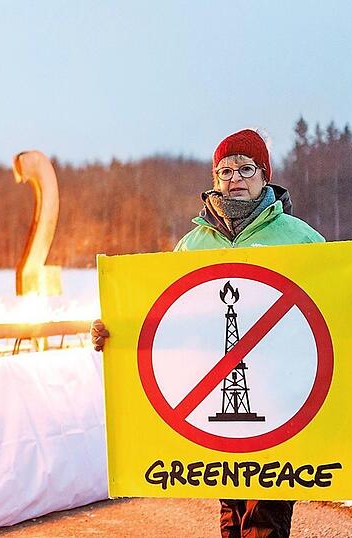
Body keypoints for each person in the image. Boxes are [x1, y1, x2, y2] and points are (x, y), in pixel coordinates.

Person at [92, 129, 324, 538]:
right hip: (212, 395)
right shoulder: (192, 245)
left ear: (265, 175)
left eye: (246, 169)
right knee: (231, 510)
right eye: (225, 171)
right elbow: (166, 315)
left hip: (281, 391)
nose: (235, 179)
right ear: (215, 179)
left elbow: (330, 305)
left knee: (265, 513)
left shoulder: (299, 237)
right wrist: (115, 330)